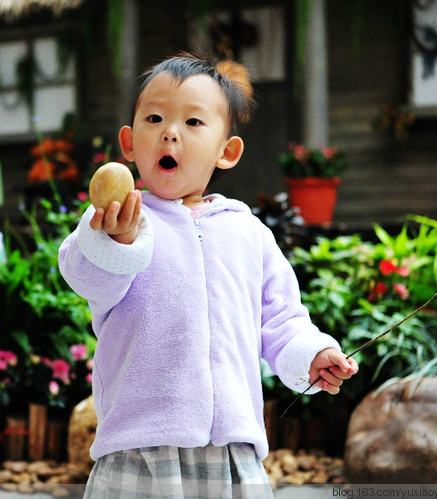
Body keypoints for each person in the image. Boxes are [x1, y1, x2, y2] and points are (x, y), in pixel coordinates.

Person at [58, 54, 358, 498]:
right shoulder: (120, 221)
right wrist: (116, 241)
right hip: (141, 446)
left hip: (234, 451)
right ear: (128, 142)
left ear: (227, 151)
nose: (170, 132)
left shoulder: (249, 233)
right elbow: (84, 275)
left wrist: (311, 356)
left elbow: (281, 320)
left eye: (193, 122)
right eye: (155, 117)